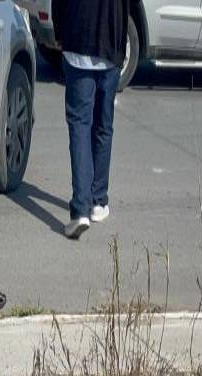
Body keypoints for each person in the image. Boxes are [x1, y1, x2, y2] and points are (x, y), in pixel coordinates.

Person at [52, 0, 129, 239]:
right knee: (103, 127)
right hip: (111, 43)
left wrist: (59, 32)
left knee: (80, 126)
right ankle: (98, 202)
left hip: (78, 40)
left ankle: (80, 209)